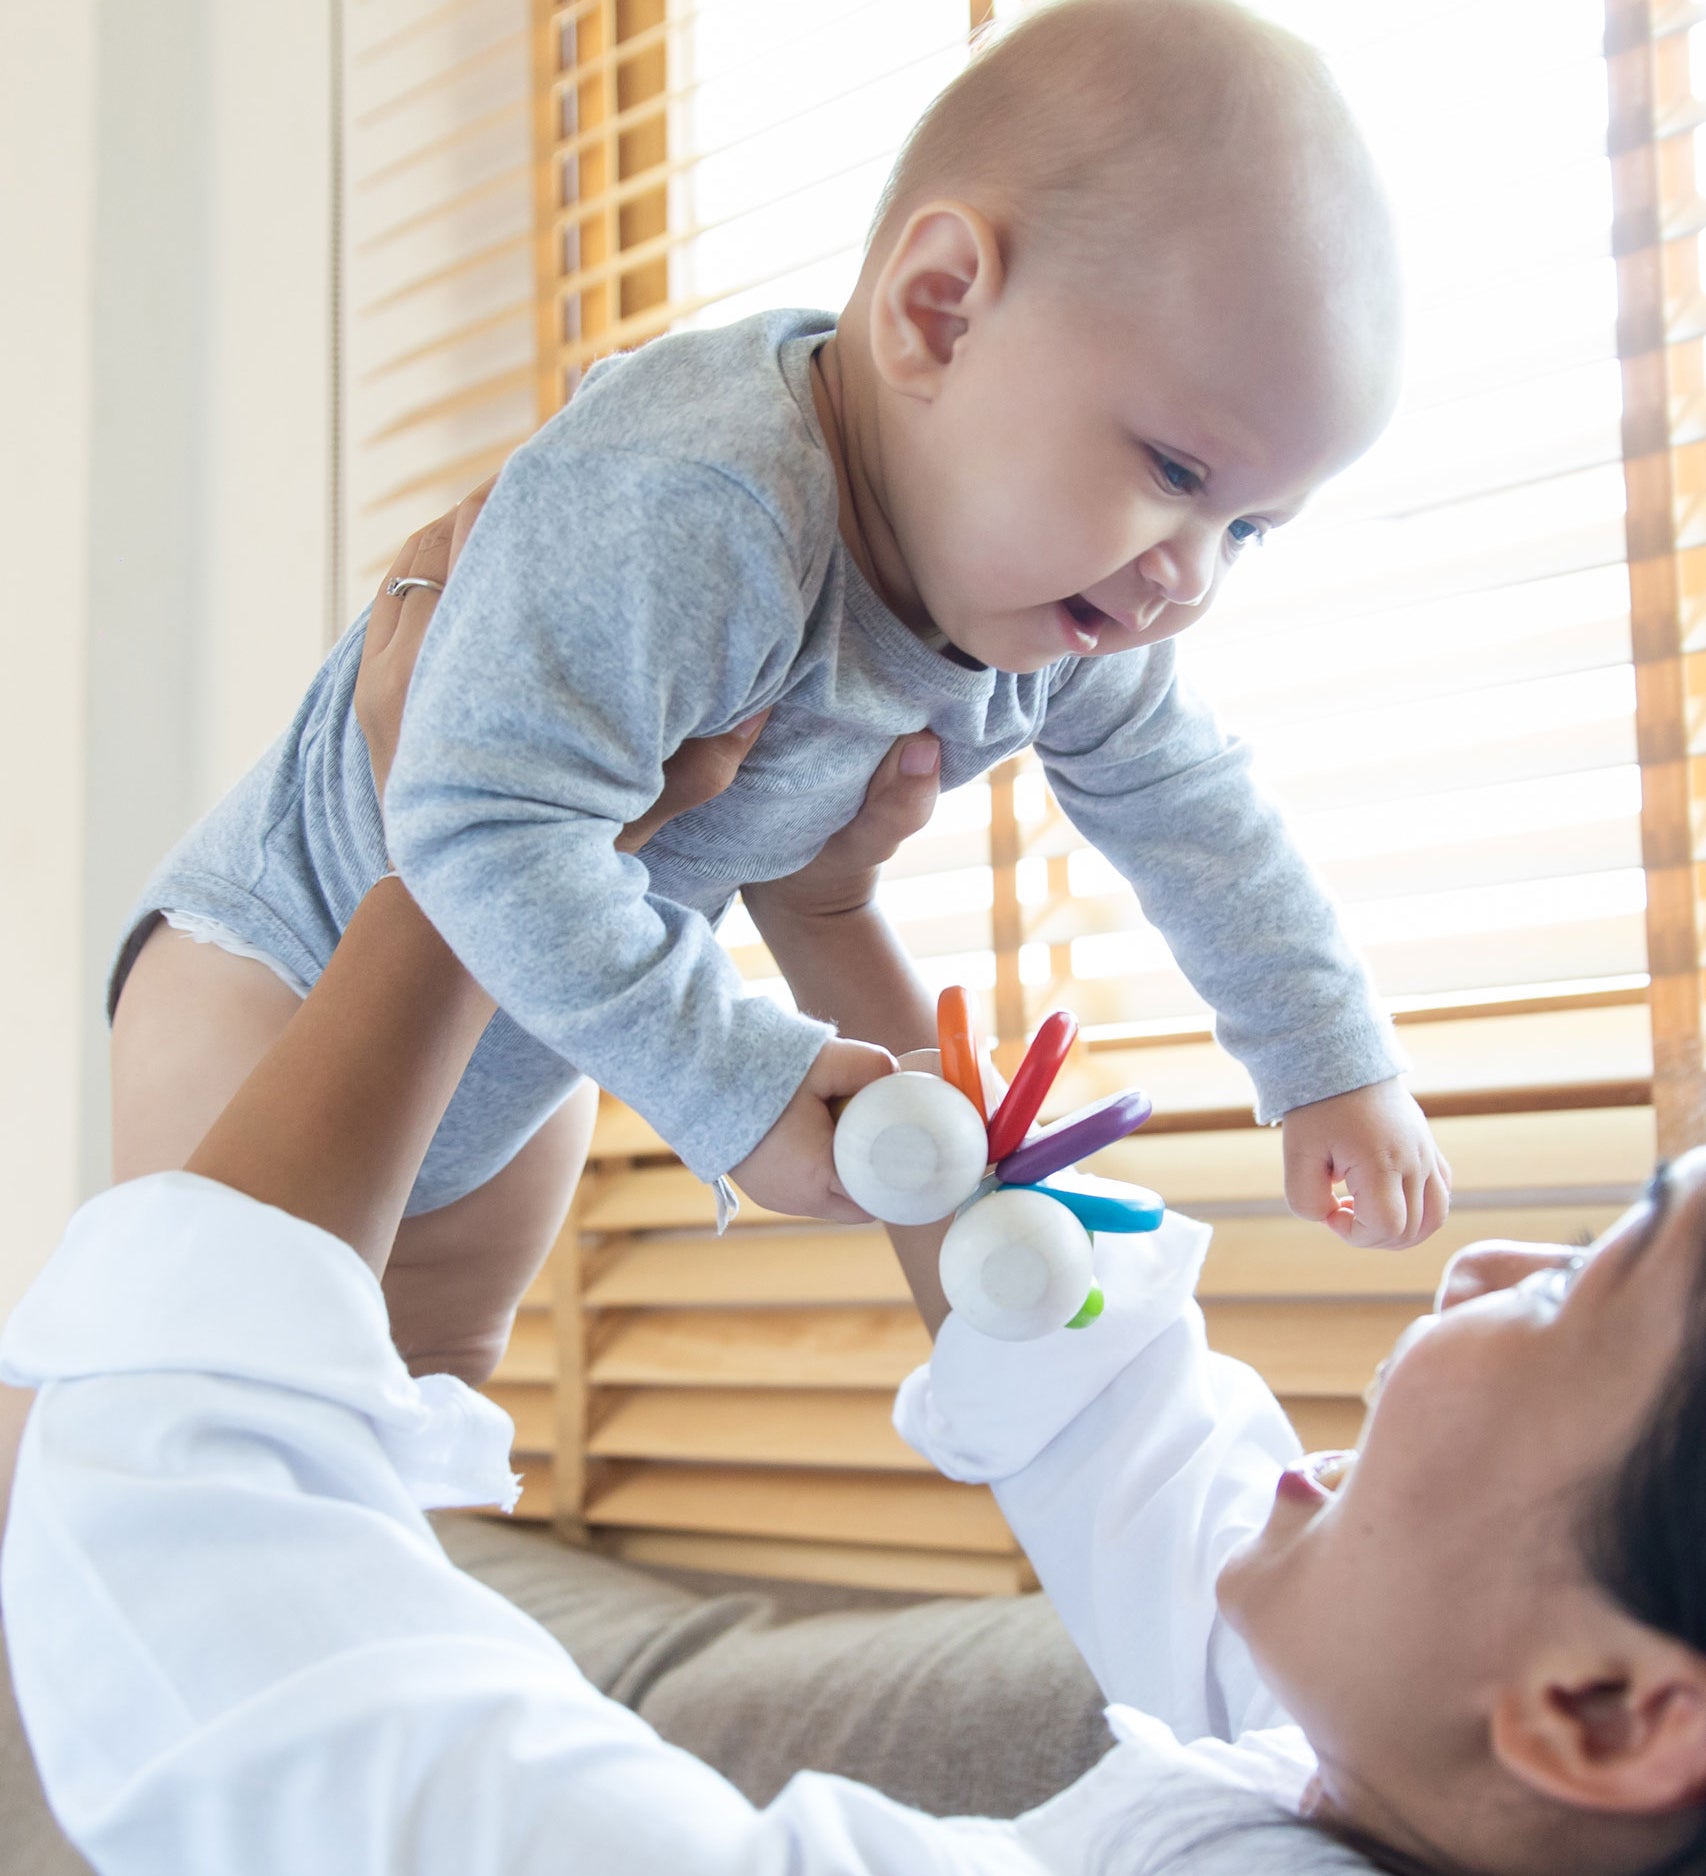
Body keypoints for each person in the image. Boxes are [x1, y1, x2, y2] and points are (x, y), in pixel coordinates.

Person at [5, 617, 1705, 1876]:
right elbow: (1115, 1411)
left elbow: (259, 1664)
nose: (1486, 1266)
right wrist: (830, 925)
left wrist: (467, 854)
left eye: (1576, 1285)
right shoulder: (1359, 1750)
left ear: (1609, 1713)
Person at [104, 0, 1450, 1390]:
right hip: (276, 958)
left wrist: (1327, 1061)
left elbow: (1198, 814)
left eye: (1245, 530)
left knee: (433, 1399)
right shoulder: (702, 504)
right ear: (939, 314)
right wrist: (738, 1080)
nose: (1190, 581)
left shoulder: (1074, 620)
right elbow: (477, 822)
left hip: (518, 1043)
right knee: (200, 1384)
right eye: (1176, 473)